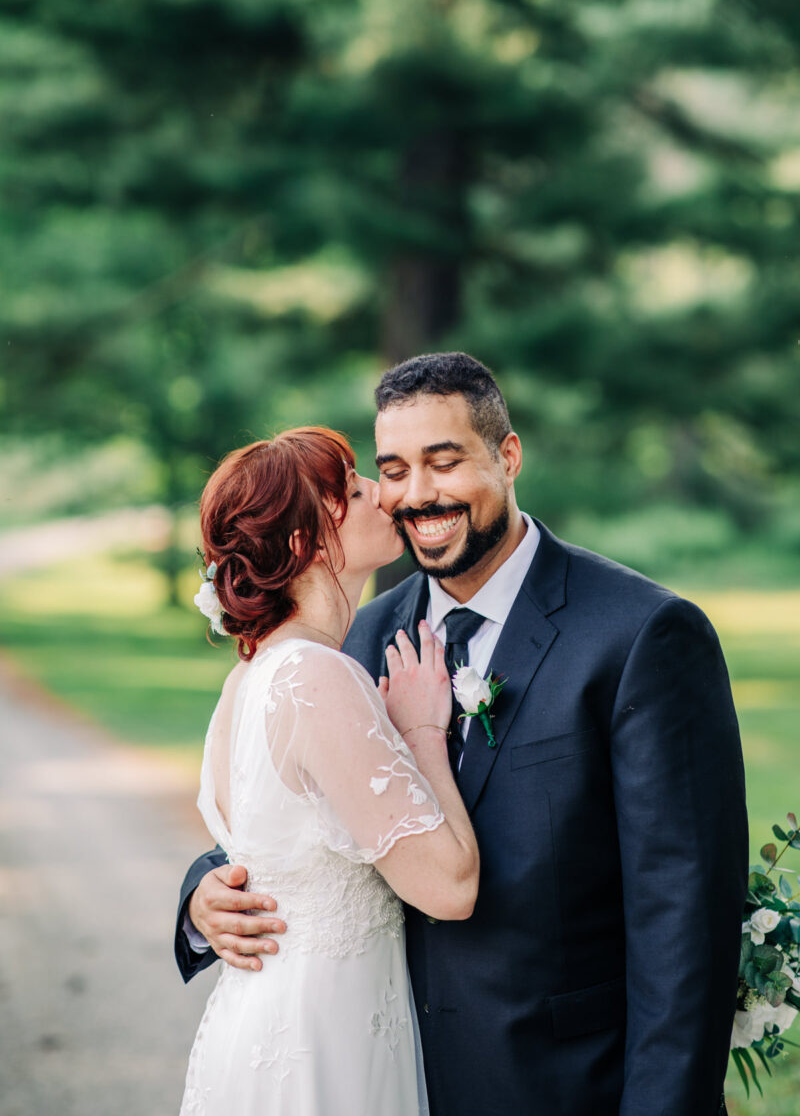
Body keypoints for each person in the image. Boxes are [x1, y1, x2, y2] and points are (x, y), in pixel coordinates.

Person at [177, 354, 748, 1116]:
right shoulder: (353, 641)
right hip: (377, 1075)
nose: (417, 495)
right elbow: (300, 822)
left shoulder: (641, 636)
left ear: (507, 457)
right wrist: (202, 900)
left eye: (443, 464)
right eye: (393, 470)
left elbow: (684, 916)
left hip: (560, 1085)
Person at [178, 426, 479, 1116]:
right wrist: (424, 732)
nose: (383, 494)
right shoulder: (316, 678)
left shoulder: (247, 680)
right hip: (323, 1046)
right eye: (352, 490)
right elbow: (449, 887)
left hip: (261, 1025)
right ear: (301, 543)